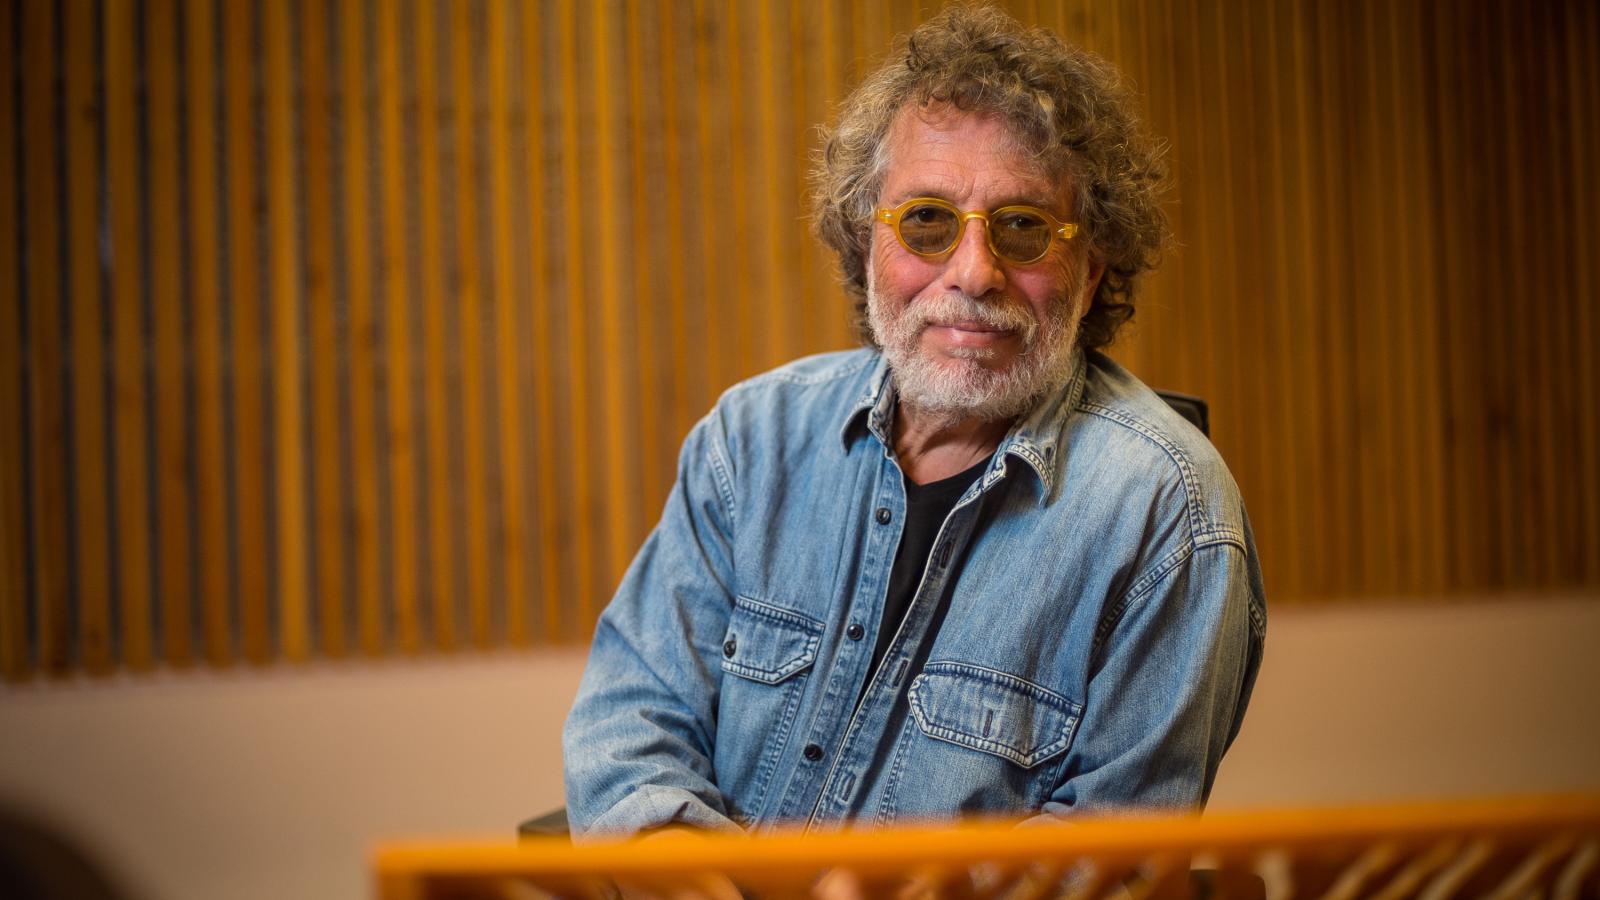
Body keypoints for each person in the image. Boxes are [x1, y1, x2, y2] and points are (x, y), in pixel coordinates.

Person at [563, 5, 1265, 839]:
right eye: (927, 220)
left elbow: (1108, 857)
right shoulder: (750, 442)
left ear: (1088, 271)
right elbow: (629, 733)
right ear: (867, 246)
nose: (974, 272)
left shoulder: (1168, 514)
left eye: (1024, 227)